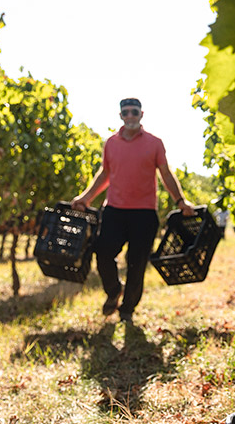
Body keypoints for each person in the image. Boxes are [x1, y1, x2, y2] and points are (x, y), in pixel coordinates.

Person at [71, 98, 194, 324]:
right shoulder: (111, 143)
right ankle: (113, 290)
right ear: (120, 115)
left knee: (137, 265)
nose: (130, 116)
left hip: (144, 214)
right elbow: (104, 174)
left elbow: (166, 174)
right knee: (103, 252)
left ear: (141, 114)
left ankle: (127, 309)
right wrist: (85, 198)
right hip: (114, 211)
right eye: (125, 112)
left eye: (134, 112)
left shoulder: (155, 143)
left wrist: (180, 201)